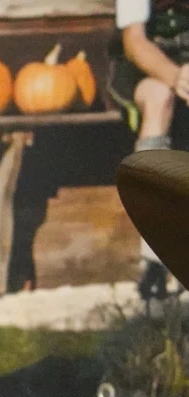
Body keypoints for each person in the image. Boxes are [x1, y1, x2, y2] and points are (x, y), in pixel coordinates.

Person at [109, 0, 189, 297]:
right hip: (148, 66)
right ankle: (155, 258)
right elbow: (134, 42)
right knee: (159, 98)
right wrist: (177, 77)